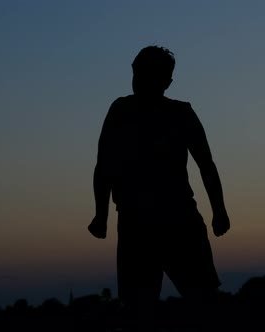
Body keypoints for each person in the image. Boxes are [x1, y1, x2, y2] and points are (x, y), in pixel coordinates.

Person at [88, 45, 230, 329]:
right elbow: (104, 165)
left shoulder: (181, 113)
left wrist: (219, 211)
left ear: (167, 81)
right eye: (138, 74)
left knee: (203, 299)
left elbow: (206, 164)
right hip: (136, 222)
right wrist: (100, 214)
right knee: (140, 307)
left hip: (179, 219)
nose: (141, 81)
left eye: (149, 75)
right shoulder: (121, 110)